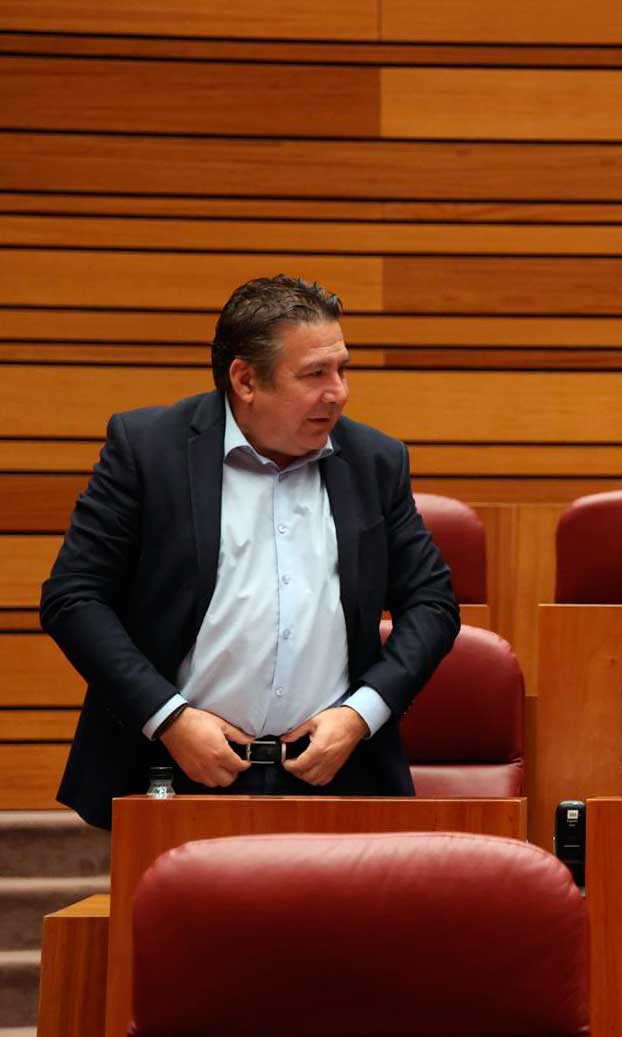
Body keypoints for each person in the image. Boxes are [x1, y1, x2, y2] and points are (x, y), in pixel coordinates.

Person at [41, 275, 460, 828]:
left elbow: (432, 603)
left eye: (342, 369)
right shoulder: (149, 451)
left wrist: (360, 716)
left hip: (334, 776)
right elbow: (73, 598)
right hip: (177, 772)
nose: (338, 391)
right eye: (314, 374)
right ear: (245, 379)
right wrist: (170, 720)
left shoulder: (374, 461)